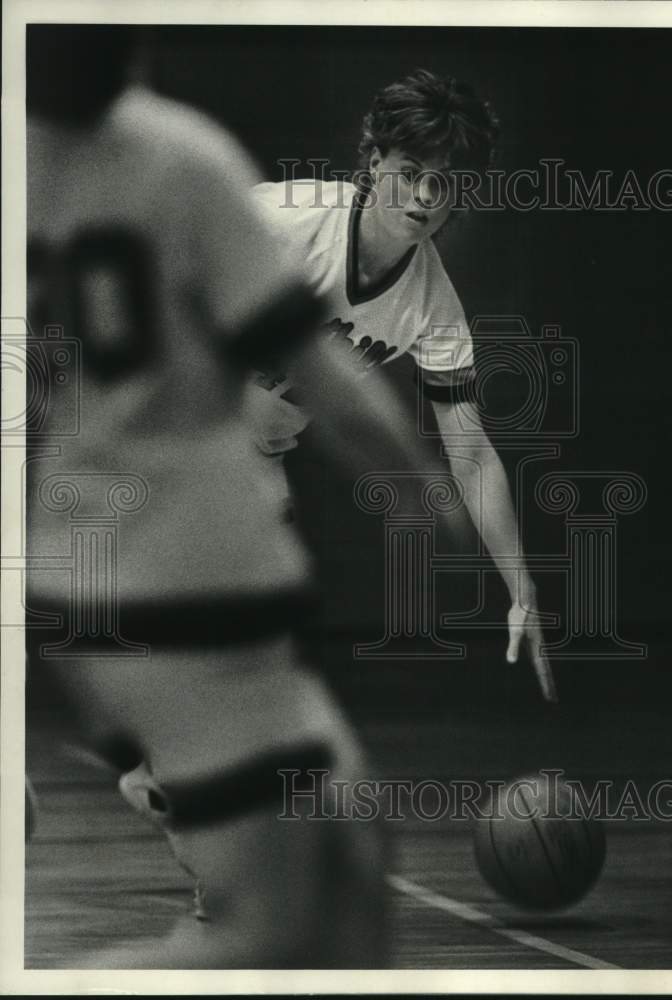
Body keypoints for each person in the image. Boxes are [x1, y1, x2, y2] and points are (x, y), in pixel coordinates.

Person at [25, 26, 443, 968]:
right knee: (273, 933)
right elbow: (322, 375)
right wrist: (416, 483)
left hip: (123, 581)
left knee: (356, 858)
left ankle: (156, 773)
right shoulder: (177, 159)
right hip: (183, 590)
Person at [248, 68, 557, 702]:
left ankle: (153, 767)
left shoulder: (433, 307)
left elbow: (471, 457)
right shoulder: (283, 221)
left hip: (255, 461)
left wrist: (521, 587)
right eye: (409, 170)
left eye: (443, 182)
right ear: (372, 160)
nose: (423, 195)